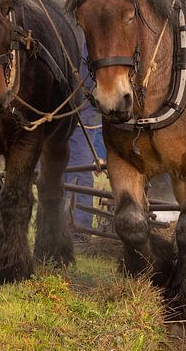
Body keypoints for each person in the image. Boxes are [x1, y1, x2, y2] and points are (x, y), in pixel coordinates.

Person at [64, 46, 107, 237]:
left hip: (83, 111)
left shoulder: (89, 45)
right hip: (63, 111)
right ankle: (62, 227)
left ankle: (79, 231)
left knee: (79, 172)